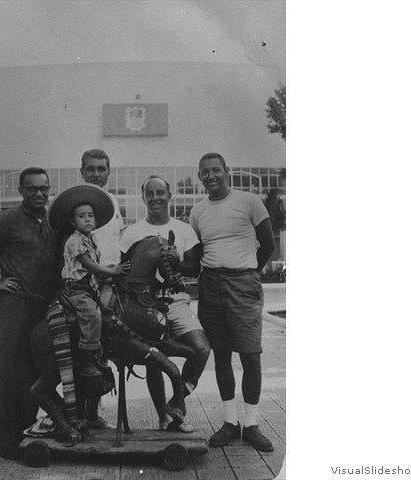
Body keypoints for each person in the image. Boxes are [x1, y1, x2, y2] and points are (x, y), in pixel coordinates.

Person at [190, 153, 276, 452]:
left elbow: (268, 244)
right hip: (211, 285)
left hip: (243, 283)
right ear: (200, 176)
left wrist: (247, 270)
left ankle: (251, 425)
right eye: (205, 172)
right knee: (221, 355)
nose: (211, 176)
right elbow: (198, 252)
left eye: (216, 170)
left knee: (251, 355)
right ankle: (230, 422)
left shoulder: (249, 201)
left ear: (227, 171)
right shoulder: (197, 211)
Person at [0, 167, 59, 460]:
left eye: (44, 188)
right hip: (14, 306)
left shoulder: (51, 221)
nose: (39, 194)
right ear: (21, 190)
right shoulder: (8, 219)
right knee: (10, 372)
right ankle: (6, 443)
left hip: (42, 306)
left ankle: (24, 429)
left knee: (34, 371)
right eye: (32, 188)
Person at [119, 175, 211, 433]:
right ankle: (165, 417)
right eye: (151, 193)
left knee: (201, 348)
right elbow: (126, 272)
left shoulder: (183, 230)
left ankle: (176, 402)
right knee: (153, 359)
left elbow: (194, 267)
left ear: (169, 196)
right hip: (145, 306)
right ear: (144, 198)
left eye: (161, 193)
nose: (156, 197)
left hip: (177, 303)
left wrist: (177, 260)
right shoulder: (132, 233)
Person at [78, 148, 125, 429]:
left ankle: (93, 412)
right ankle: (78, 411)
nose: (96, 173)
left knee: (107, 341)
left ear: (109, 172)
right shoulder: (75, 203)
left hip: (110, 280)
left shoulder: (113, 201)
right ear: (81, 171)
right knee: (86, 344)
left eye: (101, 168)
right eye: (91, 168)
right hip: (85, 282)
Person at [60, 202, 130, 379]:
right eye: (81, 216)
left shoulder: (91, 240)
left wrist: (114, 275)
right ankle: (86, 360)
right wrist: (112, 270)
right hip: (76, 290)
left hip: (88, 287)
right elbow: (90, 265)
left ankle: (104, 353)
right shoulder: (75, 240)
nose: (87, 219)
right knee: (93, 315)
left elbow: (96, 272)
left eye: (90, 215)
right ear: (73, 221)